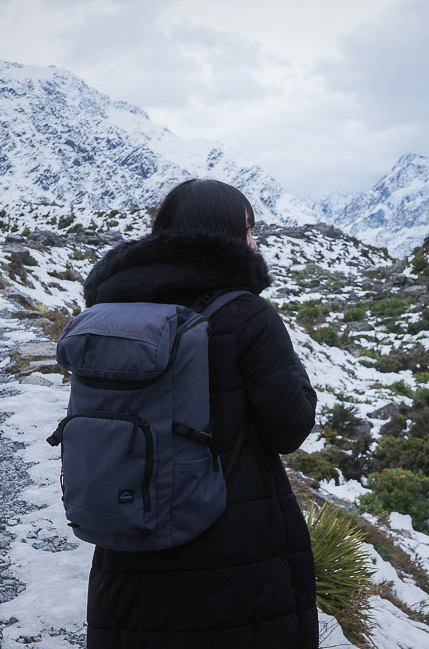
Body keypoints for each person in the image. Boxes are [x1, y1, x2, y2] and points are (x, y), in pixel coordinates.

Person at [81, 178, 318, 648]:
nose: (255, 242)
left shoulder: (114, 309)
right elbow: (290, 426)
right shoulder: (247, 315)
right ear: (226, 234)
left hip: (131, 528)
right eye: (248, 229)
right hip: (232, 543)